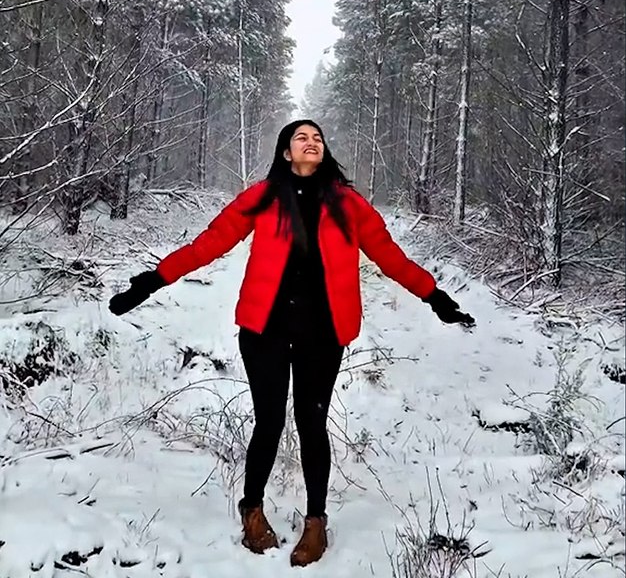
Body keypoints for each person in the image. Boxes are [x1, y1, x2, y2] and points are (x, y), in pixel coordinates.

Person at [107, 119, 475, 566]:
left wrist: (434, 295)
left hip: (323, 332)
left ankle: (316, 521)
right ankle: (252, 509)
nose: (312, 141)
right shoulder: (262, 199)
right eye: (301, 137)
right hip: (265, 329)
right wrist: (152, 281)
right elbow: (210, 243)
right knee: (268, 421)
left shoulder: (348, 204)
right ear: (285, 152)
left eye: (317, 137)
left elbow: (390, 255)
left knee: (312, 423)